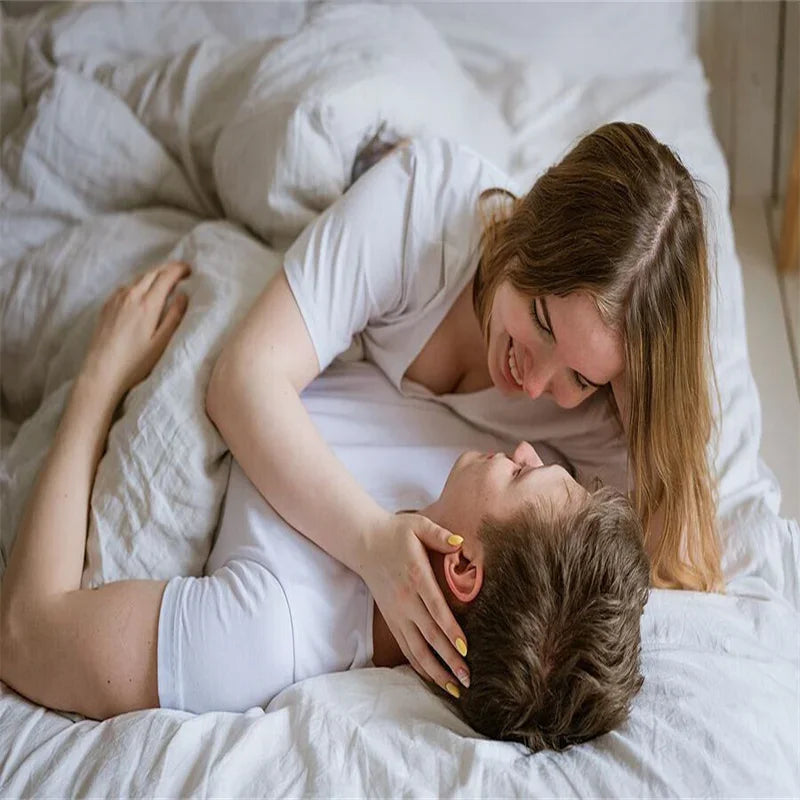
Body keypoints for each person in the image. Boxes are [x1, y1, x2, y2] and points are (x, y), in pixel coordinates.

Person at [0, 266, 650, 753]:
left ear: (462, 569)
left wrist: (100, 379)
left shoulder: (268, 633)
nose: (526, 449)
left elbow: (27, 635)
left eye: (523, 476)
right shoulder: (458, 482)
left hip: (129, 321)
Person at [205, 123, 722, 698]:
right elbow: (243, 378)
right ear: (528, 228)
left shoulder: (604, 416)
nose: (533, 385)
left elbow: (653, 573)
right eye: (542, 322)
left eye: (579, 377)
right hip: (375, 173)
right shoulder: (421, 213)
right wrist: (372, 542)